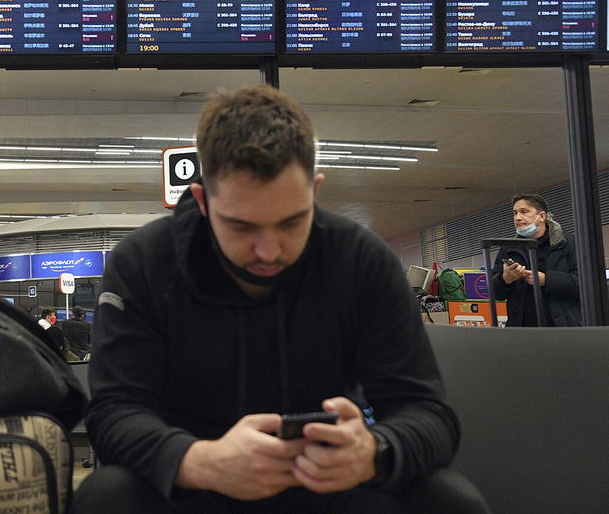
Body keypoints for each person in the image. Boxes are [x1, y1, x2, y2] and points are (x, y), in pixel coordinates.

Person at [73, 85, 488, 514]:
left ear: (316, 191)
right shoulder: (141, 264)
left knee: (448, 499)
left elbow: (426, 412)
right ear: (201, 200)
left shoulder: (363, 260)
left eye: (292, 222)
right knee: (107, 496)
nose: (269, 251)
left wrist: (375, 452)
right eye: (242, 227)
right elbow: (114, 412)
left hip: (325, 485)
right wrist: (197, 461)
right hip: (197, 482)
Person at [490, 194, 581, 327]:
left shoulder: (569, 243)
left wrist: (546, 280)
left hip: (562, 329)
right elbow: (495, 293)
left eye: (524, 212)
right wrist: (505, 280)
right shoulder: (509, 248)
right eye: (515, 213)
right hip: (522, 332)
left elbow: (586, 284)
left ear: (542, 216)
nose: (518, 218)